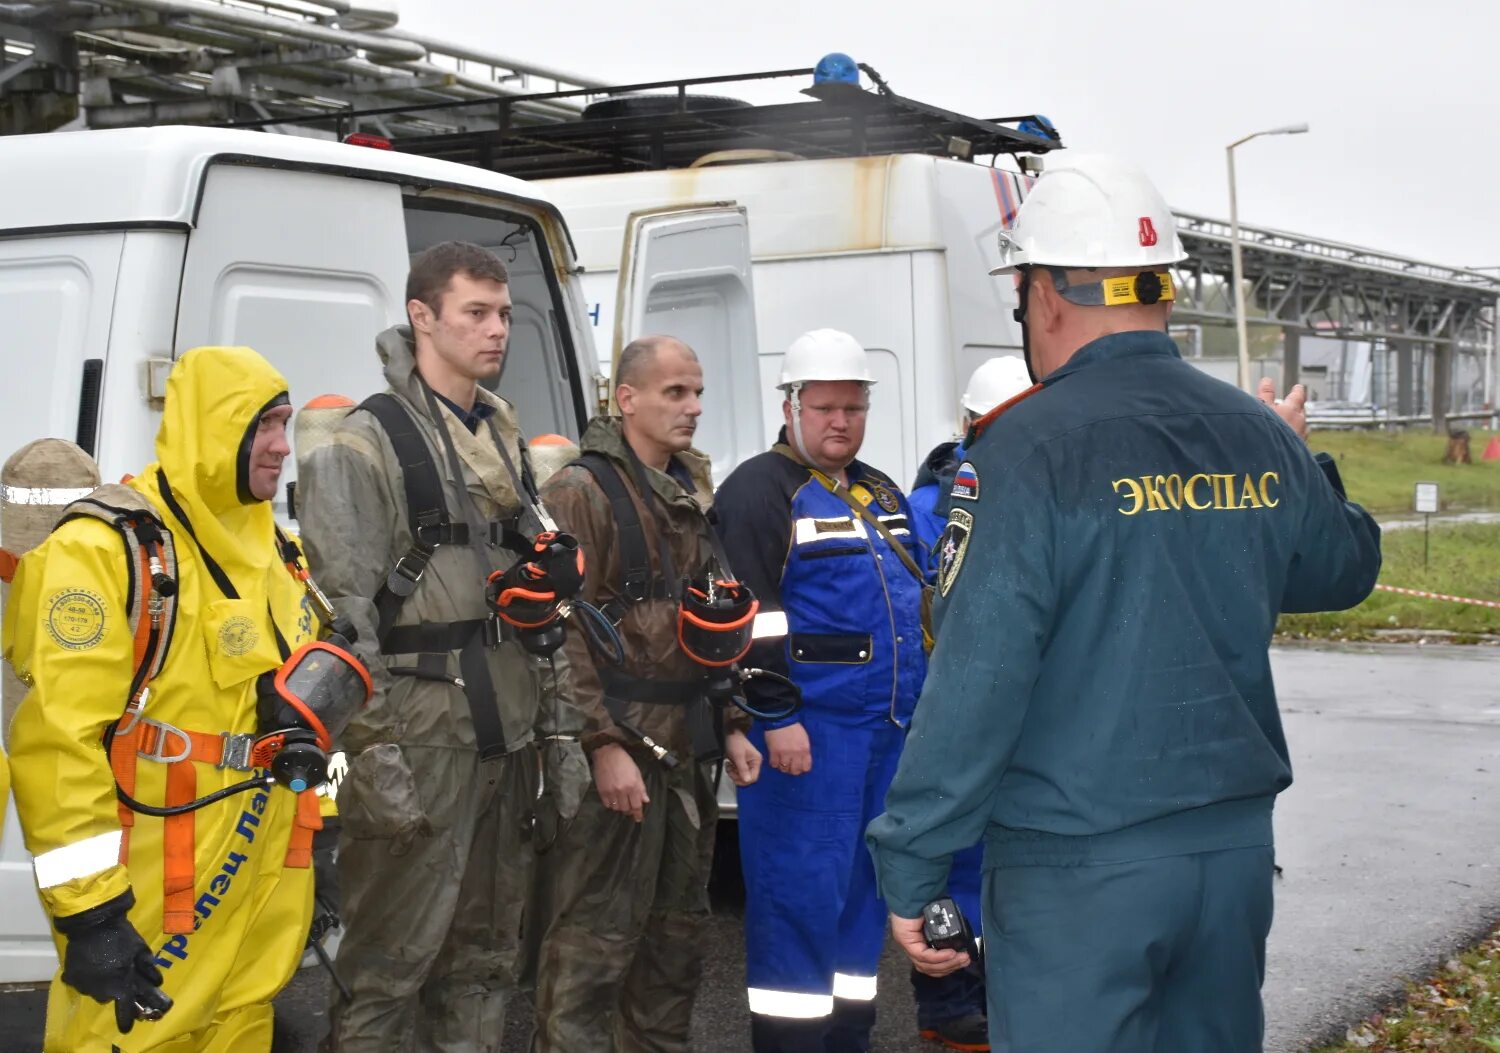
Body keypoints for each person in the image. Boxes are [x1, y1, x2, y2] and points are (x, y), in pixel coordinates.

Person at [867, 153, 1383, 1053]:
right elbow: (1339, 569)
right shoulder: (1254, 431)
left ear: (1044, 297)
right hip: (1230, 860)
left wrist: (913, 857)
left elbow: (978, 676)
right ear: (1163, 293)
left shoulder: (1023, 453)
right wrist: (1300, 456)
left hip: (1079, 866)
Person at [296, 241, 583, 1051]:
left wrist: (558, 732)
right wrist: (377, 759)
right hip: (419, 744)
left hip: (506, 737)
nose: (498, 331)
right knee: (388, 971)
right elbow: (345, 622)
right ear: (422, 316)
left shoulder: (501, 438)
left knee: (486, 962)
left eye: (503, 315)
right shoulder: (363, 444)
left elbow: (539, 602)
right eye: (477, 313)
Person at [3, 346, 329, 1051]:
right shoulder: (107, 548)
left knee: (243, 1024)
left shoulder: (278, 551)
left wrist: (323, 823)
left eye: (286, 423)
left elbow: (306, 713)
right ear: (216, 428)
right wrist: (92, 914)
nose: (283, 445)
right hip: (155, 889)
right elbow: (58, 740)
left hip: (268, 880)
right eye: (265, 425)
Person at [531, 334, 763, 1052]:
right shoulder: (582, 491)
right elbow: (556, 629)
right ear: (626, 399)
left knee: (674, 948)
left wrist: (729, 722)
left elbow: (708, 622)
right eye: (675, 393)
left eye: (697, 392)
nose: (693, 407)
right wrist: (602, 745)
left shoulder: (688, 491)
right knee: (593, 949)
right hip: (622, 752)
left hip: (686, 752)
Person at [715, 329, 927, 1053]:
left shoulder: (878, 489)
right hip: (809, 738)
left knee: (864, 902)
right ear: (792, 404)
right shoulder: (757, 490)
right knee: (798, 900)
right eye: (827, 406)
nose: (841, 421)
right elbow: (748, 614)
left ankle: (849, 1039)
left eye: (854, 407)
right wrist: (774, 716)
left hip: (886, 735)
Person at [902, 354, 1032, 1052]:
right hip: (951, 711)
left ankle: (993, 990)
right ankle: (947, 999)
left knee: (1001, 862)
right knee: (950, 861)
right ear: (975, 427)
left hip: (1018, 716)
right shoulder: (930, 509)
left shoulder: (1039, 495)